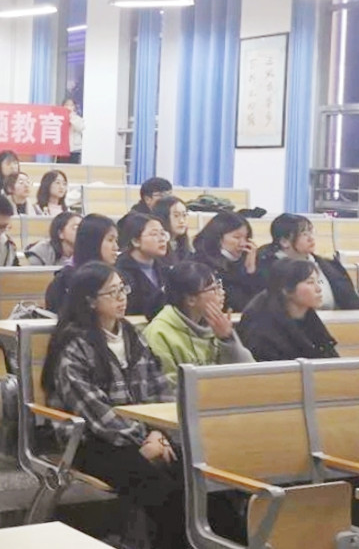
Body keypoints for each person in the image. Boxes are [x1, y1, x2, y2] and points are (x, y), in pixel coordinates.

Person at [41, 262, 184, 549]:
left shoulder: (132, 334)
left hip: (145, 435)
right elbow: (95, 413)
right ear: (90, 301)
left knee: (192, 475)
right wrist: (143, 439)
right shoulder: (74, 344)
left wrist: (159, 433)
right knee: (163, 491)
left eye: (123, 289)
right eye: (112, 292)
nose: (122, 298)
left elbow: (159, 389)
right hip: (92, 442)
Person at [143, 261, 254, 383]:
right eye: (213, 289)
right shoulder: (159, 333)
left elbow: (250, 374)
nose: (221, 293)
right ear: (191, 300)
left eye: (219, 285)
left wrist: (227, 339)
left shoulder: (216, 325)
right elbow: (169, 386)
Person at [239, 258, 340, 361]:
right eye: (310, 282)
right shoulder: (262, 330)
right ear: (286, 290)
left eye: (318, 281)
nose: (319, 289)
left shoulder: (310, 319)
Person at [257, 214, 359, 310]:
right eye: (304, 234)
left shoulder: (329, 266)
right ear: (285, 242)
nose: (311, 238)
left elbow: (352, 303)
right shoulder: (267, 270)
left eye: (311, 232)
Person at [44, 214, 118, 312]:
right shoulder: (65, 281)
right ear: (93, 242)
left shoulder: (116, 276)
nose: (116, 247)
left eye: (116, 241)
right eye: (110, 240)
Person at [192, 212, 263, 313]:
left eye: (246, 238)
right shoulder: (200, 264)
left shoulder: (248, 260)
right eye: (237, 237)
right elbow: (235, 302)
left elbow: (259, 302)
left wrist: (250, 271)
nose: (243, 244)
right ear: (218, 238)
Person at [115, 213, 170, 320]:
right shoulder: (120, 272)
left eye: (163, 234)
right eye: (154, 234)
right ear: (136, 241)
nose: (162, 239)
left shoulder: (164, 269)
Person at [152, 196, 194, 264]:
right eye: (176, 216)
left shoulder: (187, 247)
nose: (181, 221)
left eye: (184, 215)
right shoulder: (155, 248)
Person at [58, 97, 84, 164]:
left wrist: (71, 117)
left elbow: (80, 128)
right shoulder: (59, 118)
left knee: (73, 168)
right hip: (62, 149)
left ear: (74, 107)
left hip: (74, 149)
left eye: (71, 105)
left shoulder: (77, 118)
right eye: (67, 105)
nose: (69, 107)